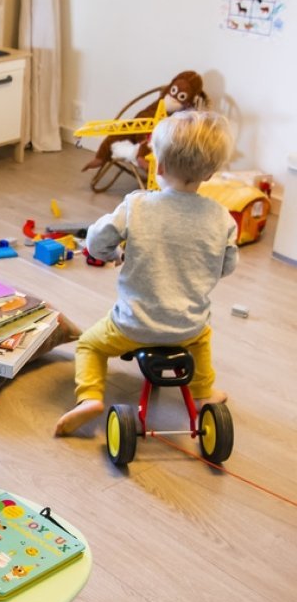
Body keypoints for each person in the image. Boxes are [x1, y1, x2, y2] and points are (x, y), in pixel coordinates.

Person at [55, 110, 237, 436]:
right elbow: (227, 266)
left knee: (89, 345)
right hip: (187, 327)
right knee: (203, 338)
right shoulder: (222, 218)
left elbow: (96, 242)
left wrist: (110, 253)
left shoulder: (137, 206)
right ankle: (202, 394)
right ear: (209, 173)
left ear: (160, 167)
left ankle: (89, 398)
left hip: (132, 325)